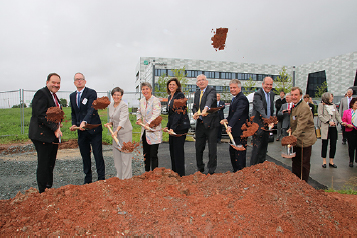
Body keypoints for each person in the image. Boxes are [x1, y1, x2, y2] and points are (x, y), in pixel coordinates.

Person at [29, 73, 63, 193]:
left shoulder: (53, 96)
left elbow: (53, 113)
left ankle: (48, 187)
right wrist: (55, 128)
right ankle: (42, 191)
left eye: (58, 83)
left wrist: (59, 123)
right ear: (47, 82)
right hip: (42, 135)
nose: (56, 85)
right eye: (53, 82)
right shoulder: (41, 94)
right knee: (44, 163)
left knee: (50, 162)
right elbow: (41, 114)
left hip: (50, 136)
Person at [69, 72, 105, 184]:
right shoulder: (72, 96)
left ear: (85, 81)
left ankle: (101, 178)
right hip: (81, 131)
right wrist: (75, 123)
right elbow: (73, 112)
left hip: (94, 129)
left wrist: (84, 121)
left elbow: (91, 109)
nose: (79, 81)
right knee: (85, 155)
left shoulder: (91, 93)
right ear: (74, 82)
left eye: (81, 79)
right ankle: (88, 179)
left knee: (97, 154)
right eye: (77, 79)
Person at [192, 74, 220, 174]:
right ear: (197, 83)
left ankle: (211, 169)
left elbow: (210, 100)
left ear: (207, 82)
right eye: (199, 80)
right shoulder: (196, 93)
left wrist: (206, 108)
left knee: (212, 148)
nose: (201, 82)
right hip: (200, 124)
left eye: (203, 80)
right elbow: (195, 106)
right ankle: (200, 168)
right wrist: (195, 112)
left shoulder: (211, 90)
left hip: (211, 124)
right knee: (198, 147)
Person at [220, 79, 249, 172]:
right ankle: (235, 172)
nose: (232, 89)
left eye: (234, 87)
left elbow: (238, 113)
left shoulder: (242, 99)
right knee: (233, 153)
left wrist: (230, 125)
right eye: (231, 88)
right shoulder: (235, 98)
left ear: (239, 88)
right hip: (234, 132)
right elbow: (232, 114)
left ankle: (240, 173)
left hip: (240, 132)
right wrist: (227, 120)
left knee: (239, 154)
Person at [104, 87, 133, 179]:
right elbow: (113, 118)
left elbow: (123, 119)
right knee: (117, 156)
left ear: (121, 96)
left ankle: (127, 178)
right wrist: (110, 123)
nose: (116, 96)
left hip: (125, 132)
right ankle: (119, 177)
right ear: (112, 96)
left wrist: (116, 131)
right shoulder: (111, 105)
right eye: (114, 95)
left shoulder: (124, 105)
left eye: (118, 95)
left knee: (125, 155)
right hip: (115, 133)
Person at [164, 78, 190, 176]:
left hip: (180, 128)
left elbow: (178, 113)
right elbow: (171, 114)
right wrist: (167, 126)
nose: (171, 86)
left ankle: (180, 175)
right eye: (170, 84)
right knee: (172, 150)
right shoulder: (169, 97)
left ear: (177, 86)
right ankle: (174, 172)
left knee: (178, 151)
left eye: (173, 84)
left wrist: (173, 128)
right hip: (173, 128)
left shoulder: (180, 96)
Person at [289, 87, 317, 182]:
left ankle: (304, 183)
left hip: (305, 140)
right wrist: (291, 129)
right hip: (297, 139)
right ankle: (296, 182)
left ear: (300, 95)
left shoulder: (304, 107)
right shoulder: (295, 105)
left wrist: (291, 138)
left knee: (304, 163)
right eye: (292, 95)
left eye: (296, 95)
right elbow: (295, 121)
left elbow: (301, 125)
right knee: (296, 162)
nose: (294, 97)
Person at [136, 82, 162, 172]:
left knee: (153, 154)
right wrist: (139, 119)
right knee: (146, 154)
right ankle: (147, 173)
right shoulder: (141, 101)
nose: (145, 91)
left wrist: (149, 123)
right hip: (145, 131)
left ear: (150, 90)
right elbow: (138, 111)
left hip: (154, 131)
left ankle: (155, 174)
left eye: (147, 89)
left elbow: (156, 113)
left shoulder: (156, 100)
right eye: (143, 89)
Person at [250, 77, 275, 166]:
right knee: (257, 149)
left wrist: (272, 119)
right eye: (267, 84)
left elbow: (271, 109)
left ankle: (261, 168)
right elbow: (260, 109)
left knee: (264, 148)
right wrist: (267, 120)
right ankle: (252, 169)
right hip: (258, 126)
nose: (268, 86)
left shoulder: (272, 94)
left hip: (267, 127)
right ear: (263, 84)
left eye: (270, 84)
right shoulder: (258, 94)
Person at [318, 92, 345, 168]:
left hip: (333, 127)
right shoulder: (321, 105)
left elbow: (337, 115)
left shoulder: (333, 105)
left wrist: (341, 122)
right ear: (327, 97)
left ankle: (331, 161)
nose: (332, 98)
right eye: (331, 97)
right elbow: (320, 115)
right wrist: (327, 121)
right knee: (325, 144)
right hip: (326, 127)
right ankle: (324, 161)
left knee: (333, 144)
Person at [342, 97, 357, 167]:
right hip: (350, 130)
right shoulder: (347, 112)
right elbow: (343, 121)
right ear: (352, 104)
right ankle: (351, 161)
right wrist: (348, 124)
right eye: (356, 104)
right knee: (351, 146)